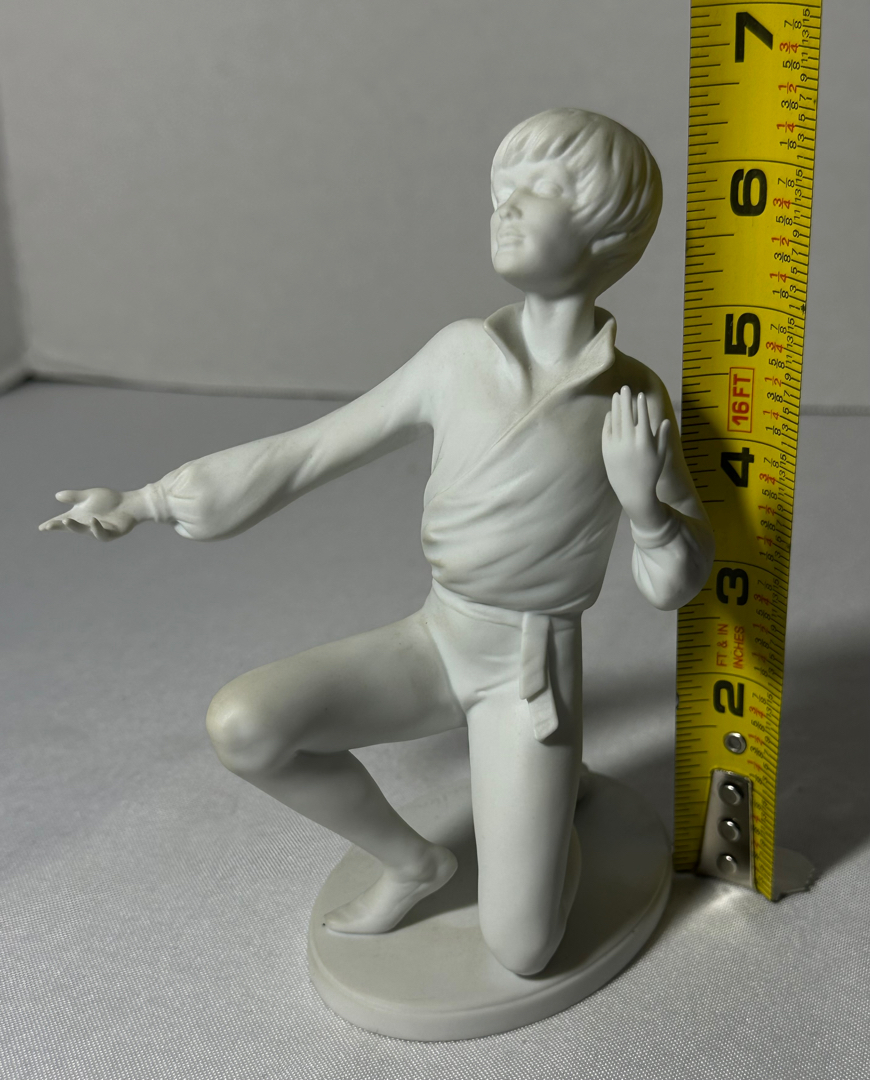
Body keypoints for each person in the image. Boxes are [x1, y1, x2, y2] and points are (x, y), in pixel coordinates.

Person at [40, 108, 714, 976]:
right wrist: (146, 501)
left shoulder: (634, 399)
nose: (504, 208)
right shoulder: (457, 357)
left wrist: (645, 507)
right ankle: (413, 861)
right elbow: (306, 451)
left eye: (537, 190)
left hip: (530, 675)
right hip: (435, 639)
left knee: (523, 950)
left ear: (606, 228)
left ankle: (552, 794)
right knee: (245, 725)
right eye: (499, 191)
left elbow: (675, 582)